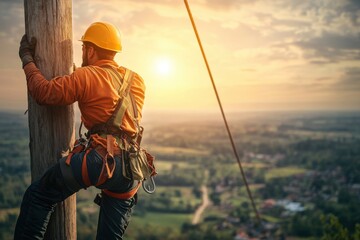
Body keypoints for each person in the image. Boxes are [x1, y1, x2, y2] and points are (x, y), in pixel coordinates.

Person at [15, 22, 145, 240]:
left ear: (91, 50)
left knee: (38, 196)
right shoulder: (137, 80)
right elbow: (107, 92)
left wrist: (27, 60)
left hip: (98, 160)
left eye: (84, 48)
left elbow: (45, 93)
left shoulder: (86, 76)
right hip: (131, 168)